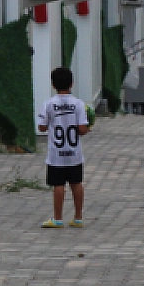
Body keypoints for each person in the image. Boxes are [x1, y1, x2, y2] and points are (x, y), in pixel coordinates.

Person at [36, 66, 91, 228]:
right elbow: (82, 129)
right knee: (76, 183)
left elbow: (41, 127)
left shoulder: (48, 104)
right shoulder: (79, 104)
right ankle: (78, 217)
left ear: (53, 84)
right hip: (74, 153)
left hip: (56, 154)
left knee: (58, 185)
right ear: (72, 84)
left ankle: (58, 218)